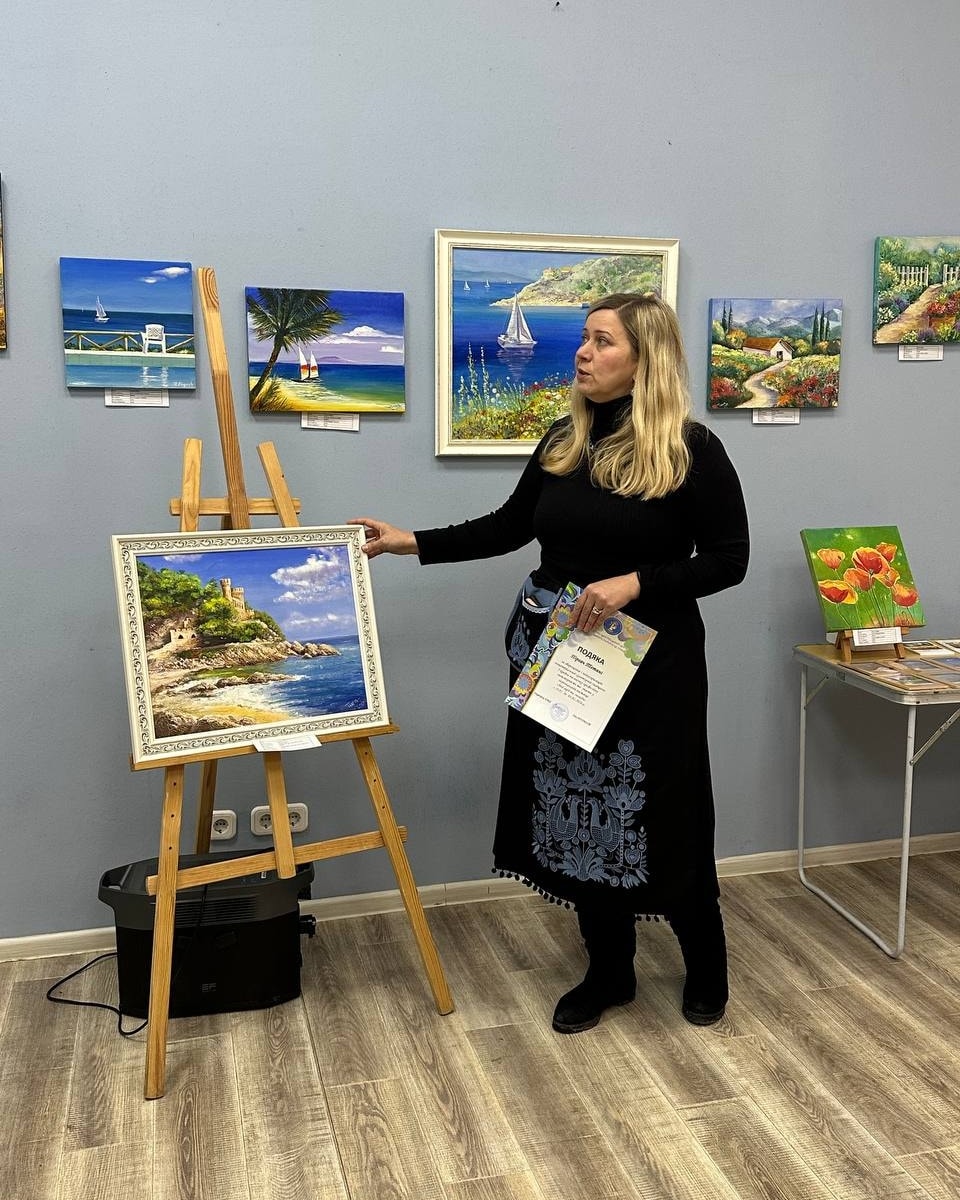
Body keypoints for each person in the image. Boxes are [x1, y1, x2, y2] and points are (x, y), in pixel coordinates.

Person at [351, 292, 749, 1034]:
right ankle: (609, 971)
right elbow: (510, 526)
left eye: (602, 341)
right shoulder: (564, 439)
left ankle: (706, 961)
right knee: (576, 806)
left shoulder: (692, 450)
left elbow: (730, 560)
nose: (582, 353)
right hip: (561, 653)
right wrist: (411, 542)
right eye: (585, 339)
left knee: (665, 807)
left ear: (645, 361)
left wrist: (637, 582)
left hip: (652, 664)